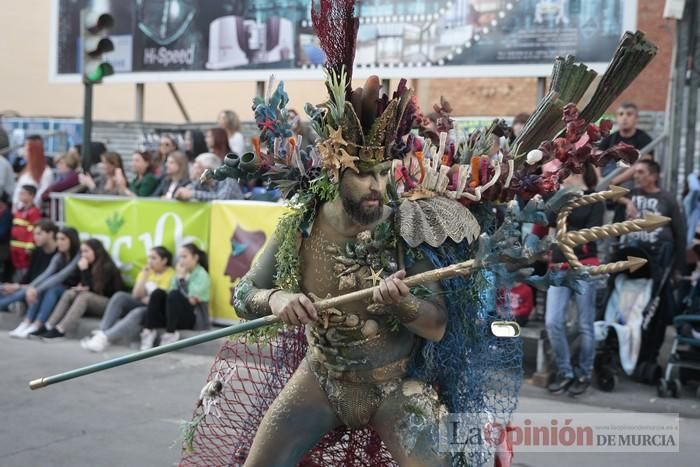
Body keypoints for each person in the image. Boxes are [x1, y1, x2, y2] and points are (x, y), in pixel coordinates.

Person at [617, 159, 687, 369]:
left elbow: (680, 234)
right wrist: (627, 203)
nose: (635, 176)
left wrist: (678, 268)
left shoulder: (667, 199)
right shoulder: (632, 193)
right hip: (633, 263)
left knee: (656, 311)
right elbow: (607, 188)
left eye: (640, 172)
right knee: (629, 310)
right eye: (634, 172)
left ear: (653, 176)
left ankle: (649, 357)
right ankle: (626, 353)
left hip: (660, 263)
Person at [545, 164, 604, 396]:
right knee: (552, 322)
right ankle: (565, 371)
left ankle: (584, 373)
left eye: (566, 173)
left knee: (584, 323)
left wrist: (565, 234)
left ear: (578, 175)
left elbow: (592, 232)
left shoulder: (594, 200)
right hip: (559, 266)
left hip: (584, 266)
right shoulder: (560, 198)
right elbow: (547, 219)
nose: (563, 177)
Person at [81, 246, 175, 352]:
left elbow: (162, 298)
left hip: (156, 311)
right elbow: (136, 295)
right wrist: (144, 276)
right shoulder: (147, 270)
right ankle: (102, 332)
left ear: (164, 260)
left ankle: (105, 338)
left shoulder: (171, 274)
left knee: (137, 312)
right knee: (119, 296)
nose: (150, 261)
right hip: (142, 302)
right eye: (149, 258)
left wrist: (148, 298)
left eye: (154, 258)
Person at [42, 238, 124, 340]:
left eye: (86, 251)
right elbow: (87, 286)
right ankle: (48, 325)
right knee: (70, 293)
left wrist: (84, 271)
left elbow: (96, 290)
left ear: (96, 251)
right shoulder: (89, 264)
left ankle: (61, 330)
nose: (83, 255)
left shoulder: (107, 266)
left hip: (109, 304)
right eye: (82, 252)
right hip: (94, 300)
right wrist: (79, 287)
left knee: (84, 296)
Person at [8, 226, 81, 338]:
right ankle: (27, 322)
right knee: (44, 288)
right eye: (57, 239)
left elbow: (60, 276)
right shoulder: (59, 256)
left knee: (51, 288)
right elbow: (46, 274)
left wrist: (36, 290)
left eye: (63, 239)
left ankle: (38, 324)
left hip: (73, 291)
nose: (59, 242)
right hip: (59, 288)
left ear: (72, 240)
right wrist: (31, 288)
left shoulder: (78, 256)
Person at [140, 243, 210, 349]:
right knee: (158, 293)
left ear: (195, 257)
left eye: (184, 257)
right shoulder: (177, 274)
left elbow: (190, 300)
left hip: (193, 320)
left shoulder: (202, 275)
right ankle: (148, 331)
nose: (181, 261)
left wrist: (181, 279)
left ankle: (170, 334)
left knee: (174, 294)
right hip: (174, 316)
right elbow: (169, 296)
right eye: (179, 257)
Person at [0, 219, 57, 311]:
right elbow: (29, 275)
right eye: (34, 234)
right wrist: (15, 286)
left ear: (50, 234)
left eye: (39, 234)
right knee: (3, 288)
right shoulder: (37, 251)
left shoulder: (58, 254)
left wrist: (18, 287)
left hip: (40, 289)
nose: (35, 237)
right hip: (28, 287)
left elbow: (48, 280)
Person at [175, 153, 244, 202]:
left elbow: (221, 199)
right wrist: (181, 193)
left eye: (199, 168)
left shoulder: (227, 179)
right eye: (195, 167)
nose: (196, 171)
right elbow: (188, 191)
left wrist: (192, 194)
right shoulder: (201, 181)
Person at [10, 185, 41, 281]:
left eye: (23, 193)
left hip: (25, 251)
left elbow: (33, 231)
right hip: (15, 248)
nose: (20, 195)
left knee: (23, 275)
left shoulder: (34, 212)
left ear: (31, 196)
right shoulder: (19, 210)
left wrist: (30, 247)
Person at [13, 135, 53, 206]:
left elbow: (40, 196)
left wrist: (27, 207)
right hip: (18, 211)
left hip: (31, 212)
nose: (23, 151)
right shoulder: (25, 170)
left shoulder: (46, 172)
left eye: (26, 148)